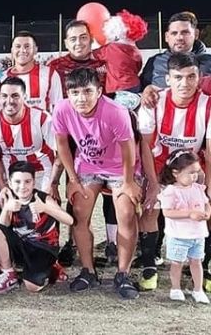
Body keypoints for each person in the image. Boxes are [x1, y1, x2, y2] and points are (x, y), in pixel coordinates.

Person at [51, 67, 141, 299]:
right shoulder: (61, 109)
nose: (81, 98)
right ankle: (88, 270)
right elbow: (62, 145)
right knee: (79, 214)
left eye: (87, 91)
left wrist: (129, 182)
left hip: (120, 168)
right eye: (75, 92)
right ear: (67, 94)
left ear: (99, 91)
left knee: (126, 214)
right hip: (88, 166)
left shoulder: (116, 111)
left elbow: (129, 148)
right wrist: (72, 179)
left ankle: (123, 273)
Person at [137, 53, 211, 291]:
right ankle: (149, 266)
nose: (185, 83)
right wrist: (153, 184)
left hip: (194, 166)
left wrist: (207, 189)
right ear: (167, 79)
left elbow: (210, 153)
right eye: (178, 77)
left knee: (208, 207)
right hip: (160, 164)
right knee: (150, 207)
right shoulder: (153, 101)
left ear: (200, 78)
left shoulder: (208, 105)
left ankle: (203, 264)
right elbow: (146, 147)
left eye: (191, 77)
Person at [0, 161, 74, 294]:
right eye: (17, 182)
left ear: (34, 182)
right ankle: (9, 274)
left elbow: (70, 220)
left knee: (32, 287)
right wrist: (6, 209)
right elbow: (3, 226)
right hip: (22, 244)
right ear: (10, 183)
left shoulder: (42, 198)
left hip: (43, 247)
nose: (22, 186)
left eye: (27, 181)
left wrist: (45, 208)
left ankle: (52, 268)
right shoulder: (11, 198)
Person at [0, 77, 57, 204]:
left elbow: (58, 152)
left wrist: (53, 183)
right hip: (7, 170)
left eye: (15, 96)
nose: (9, 101)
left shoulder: (42, 118)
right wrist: (2, 187)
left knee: (45, 208)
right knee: (0, 205)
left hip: (40, 169)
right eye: (4, 96)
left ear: (25, 97)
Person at [158, 151, 210, 303]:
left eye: (197, 172)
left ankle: (198, 289)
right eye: (191, 173)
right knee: (177, 263)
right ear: (175, 173)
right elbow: (167, 212)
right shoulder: (171, 191)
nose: (195, 176)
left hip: (198, 234)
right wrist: (189, 214)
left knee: (197, 261)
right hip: (179, 235)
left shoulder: (198, 188)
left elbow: (206, 203)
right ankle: (175, 288)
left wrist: (207, 213)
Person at [141, 11, 211, 91]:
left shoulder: (209, 61)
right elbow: (141, 92)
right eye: (174, 33)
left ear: (196, 34)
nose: (179, 37)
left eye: (185, 32)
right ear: (167, 37)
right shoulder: (154, 62)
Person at [2, 31, 62, 111]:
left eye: (27, 46)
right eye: (18, 46)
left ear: (35, 50)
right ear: (12, 51)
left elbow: (58, 108)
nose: (22, 50)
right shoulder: (3, 77)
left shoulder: (50, 74)